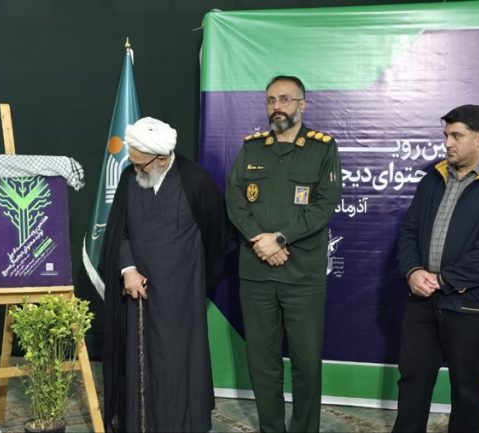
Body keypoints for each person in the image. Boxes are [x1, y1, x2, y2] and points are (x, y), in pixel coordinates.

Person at [100, 117, 233, 432]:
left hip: (182, 296)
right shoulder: (129, 178)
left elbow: (218, 238)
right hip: (138, 292)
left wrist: (196, 281)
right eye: (132, 162)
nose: (135, 169)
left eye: (140, 164)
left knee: (178, 362)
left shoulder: (196, 181)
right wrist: (128, 269)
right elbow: (119, 231)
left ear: (161, 159)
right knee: (141, 362)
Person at [225, 75, 342, 432]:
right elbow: (235, 199)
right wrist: (259, 240)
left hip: (302, 276)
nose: (277, 106)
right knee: (262, 363)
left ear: (301, 105)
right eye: (271, 100)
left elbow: (324, 206)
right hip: (256, 274)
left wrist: (279, 239)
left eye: (285, 99)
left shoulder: (322, 148)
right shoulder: (252, 148)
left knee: (306, 365)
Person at [393, 105, 479, 433]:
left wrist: (444, 280)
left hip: (472, 304)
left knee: (467, 390)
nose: (447, 143)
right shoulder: (434, 176)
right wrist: (413, 271)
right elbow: (409, 230)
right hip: (423, 300)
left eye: (456, 136)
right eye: (446, 135)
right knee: (412, 382)